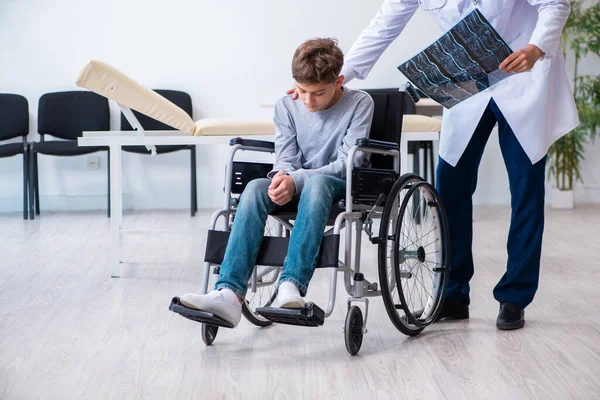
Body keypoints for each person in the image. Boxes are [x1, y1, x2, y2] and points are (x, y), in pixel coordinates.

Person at [287, 0, 578, 330]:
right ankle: (453, 293)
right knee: (450, 185)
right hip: (467, 79)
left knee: (525, 187)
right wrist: (335, 80)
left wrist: (536, 48)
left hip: (523, 74)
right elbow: (385, 26)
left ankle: (515, 296)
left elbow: (555, 4)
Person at [179, 38, 374, 328]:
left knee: (319, 182)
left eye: (318, 93)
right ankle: (229, 293)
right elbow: (285, 156)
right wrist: (282, 176)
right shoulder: (286, 105)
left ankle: (290, 287)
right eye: (302, 90)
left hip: (337, 186)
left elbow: (349, 162)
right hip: (299, 185)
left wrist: (295, 179)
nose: (308, 101)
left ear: (339, 81)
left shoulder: (360, 103)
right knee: (256, 188)